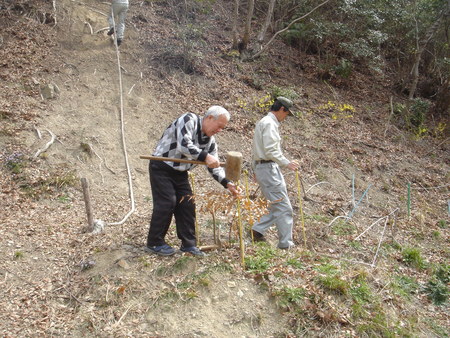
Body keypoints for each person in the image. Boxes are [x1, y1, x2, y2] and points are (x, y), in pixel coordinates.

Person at [146, 106, 240, 256]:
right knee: (167, 202)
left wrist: (227, 183)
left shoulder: (210, 142)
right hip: (162, 166)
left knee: (187, 203)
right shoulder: (189, 119)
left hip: (181, 172)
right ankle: (154, 242)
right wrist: (205, 157)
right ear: (209, 118)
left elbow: (214, 166)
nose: (220, 130)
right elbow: (184, 145)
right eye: (219, 126)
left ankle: (188, 245)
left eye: (223, 128)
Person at [251, 97, 300, 249]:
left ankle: (257, 230)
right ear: (282, 109)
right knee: (284, 207)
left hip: (264, 167)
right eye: (286, 114)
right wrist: (287, 163)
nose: (285, 117)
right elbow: (270, 150)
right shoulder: (270, 123)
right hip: (268, 168)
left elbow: (256, 149)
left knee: (276, 204)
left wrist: (255, 169)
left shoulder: (264, 122)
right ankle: (286, 244)